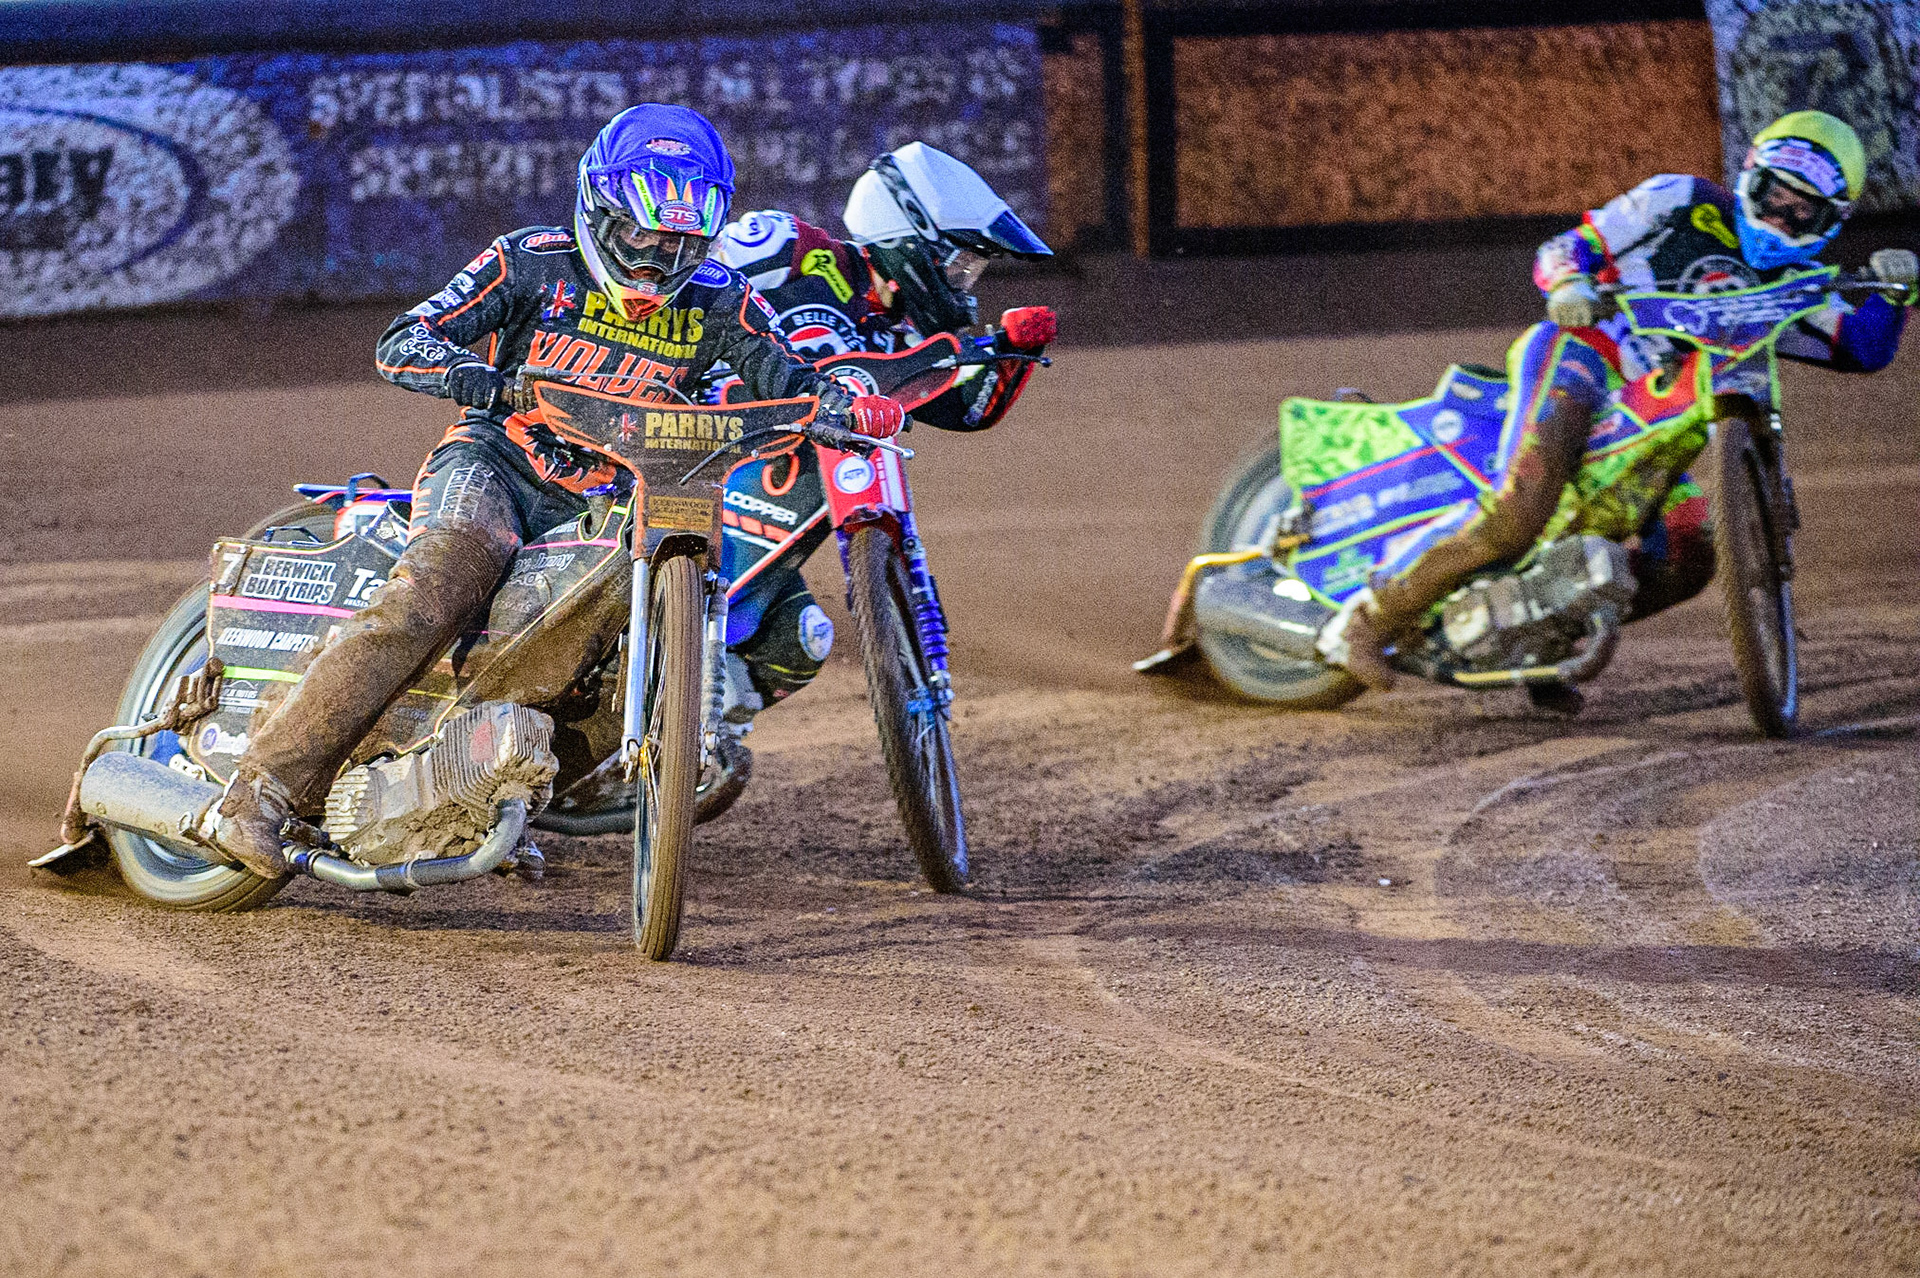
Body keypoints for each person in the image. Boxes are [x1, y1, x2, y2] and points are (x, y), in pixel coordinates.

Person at [208, 104, 907, 877]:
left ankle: (477, 794)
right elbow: (403, 339)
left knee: (605, 680)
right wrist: (475, 377)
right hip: (495, 467)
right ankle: (258, 793)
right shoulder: (530, 261)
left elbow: (792, 379)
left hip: (606, 504)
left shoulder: (722, 298)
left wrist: (842, 406)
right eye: (640, 235)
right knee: (435, 589)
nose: (654, 261)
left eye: (678, 242)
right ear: (599, 212)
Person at [1320, 110, 1916, 693]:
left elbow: (1861, 347)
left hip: (1661, 419)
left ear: (1829, 221)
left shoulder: (1793, 289)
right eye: (1773, 194)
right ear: (1749, 176)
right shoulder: (1680, 200)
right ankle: (1366, 619)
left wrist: (1896, 292)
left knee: (1691, 554)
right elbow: (1566, 247)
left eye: (1800, 210)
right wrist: (1569, 285)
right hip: (1587, 357)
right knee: (1521, 506)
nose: (1780, 215)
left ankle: (1546, 631)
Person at [698, 141, 1057, 735]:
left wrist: (1016, 350)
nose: (967, 282)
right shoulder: (790, 250)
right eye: (962, 263)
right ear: (912, 239)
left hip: (759, 479)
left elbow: (965, 408)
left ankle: (698, 735)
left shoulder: (898, 334)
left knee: (801, 642)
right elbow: (684, 279)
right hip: (677, 444)